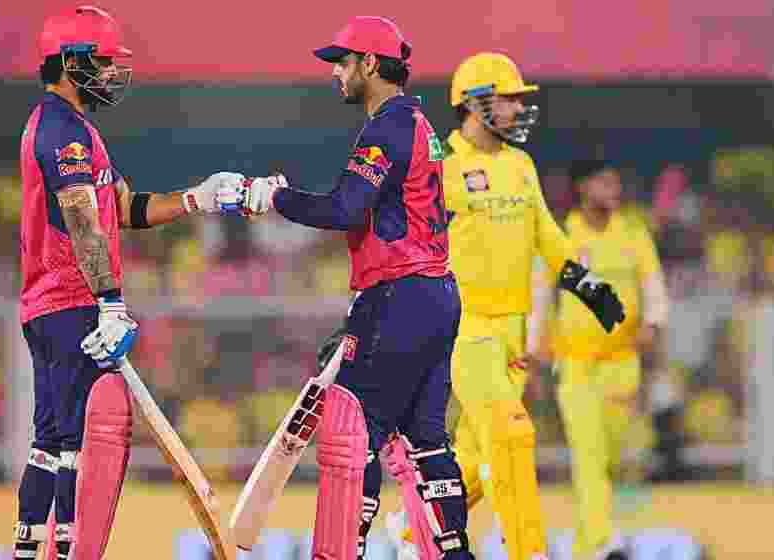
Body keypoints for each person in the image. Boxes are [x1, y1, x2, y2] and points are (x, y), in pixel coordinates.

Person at [13, 7, 244, 560]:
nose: (113, 73)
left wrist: (197, 198)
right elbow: (80, 219)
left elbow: (123, 209)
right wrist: (110, 304)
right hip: (69, 304)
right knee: (71, 446)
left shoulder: (80, 131)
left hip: (59, 305)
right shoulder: (60, 130)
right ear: (71, 62)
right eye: (103, 60)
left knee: (52, 444)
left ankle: (30, 550)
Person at [241, 15, 474, 560]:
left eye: (343, 62)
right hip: (435, 295)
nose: (337, 74)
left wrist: (272, 195)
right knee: (426, 441)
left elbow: (345, 208)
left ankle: (344, 552)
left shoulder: (389, 125)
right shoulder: (419, 124)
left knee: (354, 433)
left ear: (371, 63)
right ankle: (455, 552)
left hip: (401, 296)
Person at [393, 53, 626, 560]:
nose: (519, 108)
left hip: (514, 334)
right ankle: (528, 551)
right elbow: (406, 245)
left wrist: (590, 287)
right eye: (510, 98)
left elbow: (548, 236)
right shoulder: (442, 169)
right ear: (475, 104)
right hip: (465, 329)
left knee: (477, 461)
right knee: (514, 435)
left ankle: (415, 537)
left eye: (521, 100)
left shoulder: (521, 166)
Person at [542, 160, 667, 560]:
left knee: (607, 458)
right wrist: (533, 343)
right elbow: (540, 292)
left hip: (622, 362)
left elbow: (653, 285)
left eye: (616, 181)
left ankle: (585, 550)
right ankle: (601, 540)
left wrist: (654, 322)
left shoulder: (632, 232)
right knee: (587, 453)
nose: (612, 189)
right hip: (574, 363)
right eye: (603, 182)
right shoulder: (563, 234)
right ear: (582, 187)